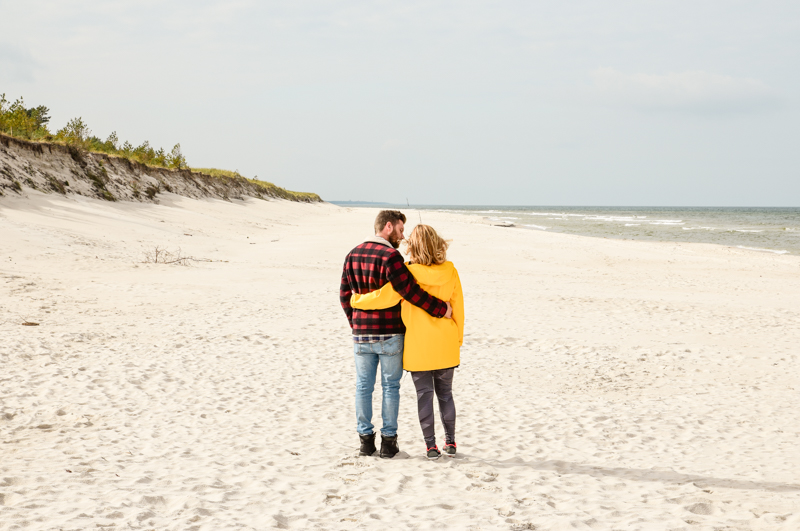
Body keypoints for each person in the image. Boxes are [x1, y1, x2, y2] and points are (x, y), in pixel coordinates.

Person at [340, 211, 453, 459]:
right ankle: (388, 443)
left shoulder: (352, 254)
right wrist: (441, 309)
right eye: (401, 230)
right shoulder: (391, 256)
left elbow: (344, 295)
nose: (403, 236)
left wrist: (356, 323)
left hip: (361, 335)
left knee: (363, 387)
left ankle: (365, 442)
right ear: (388, 227)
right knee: (390, 387)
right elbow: (410, 292)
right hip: (390, 333)